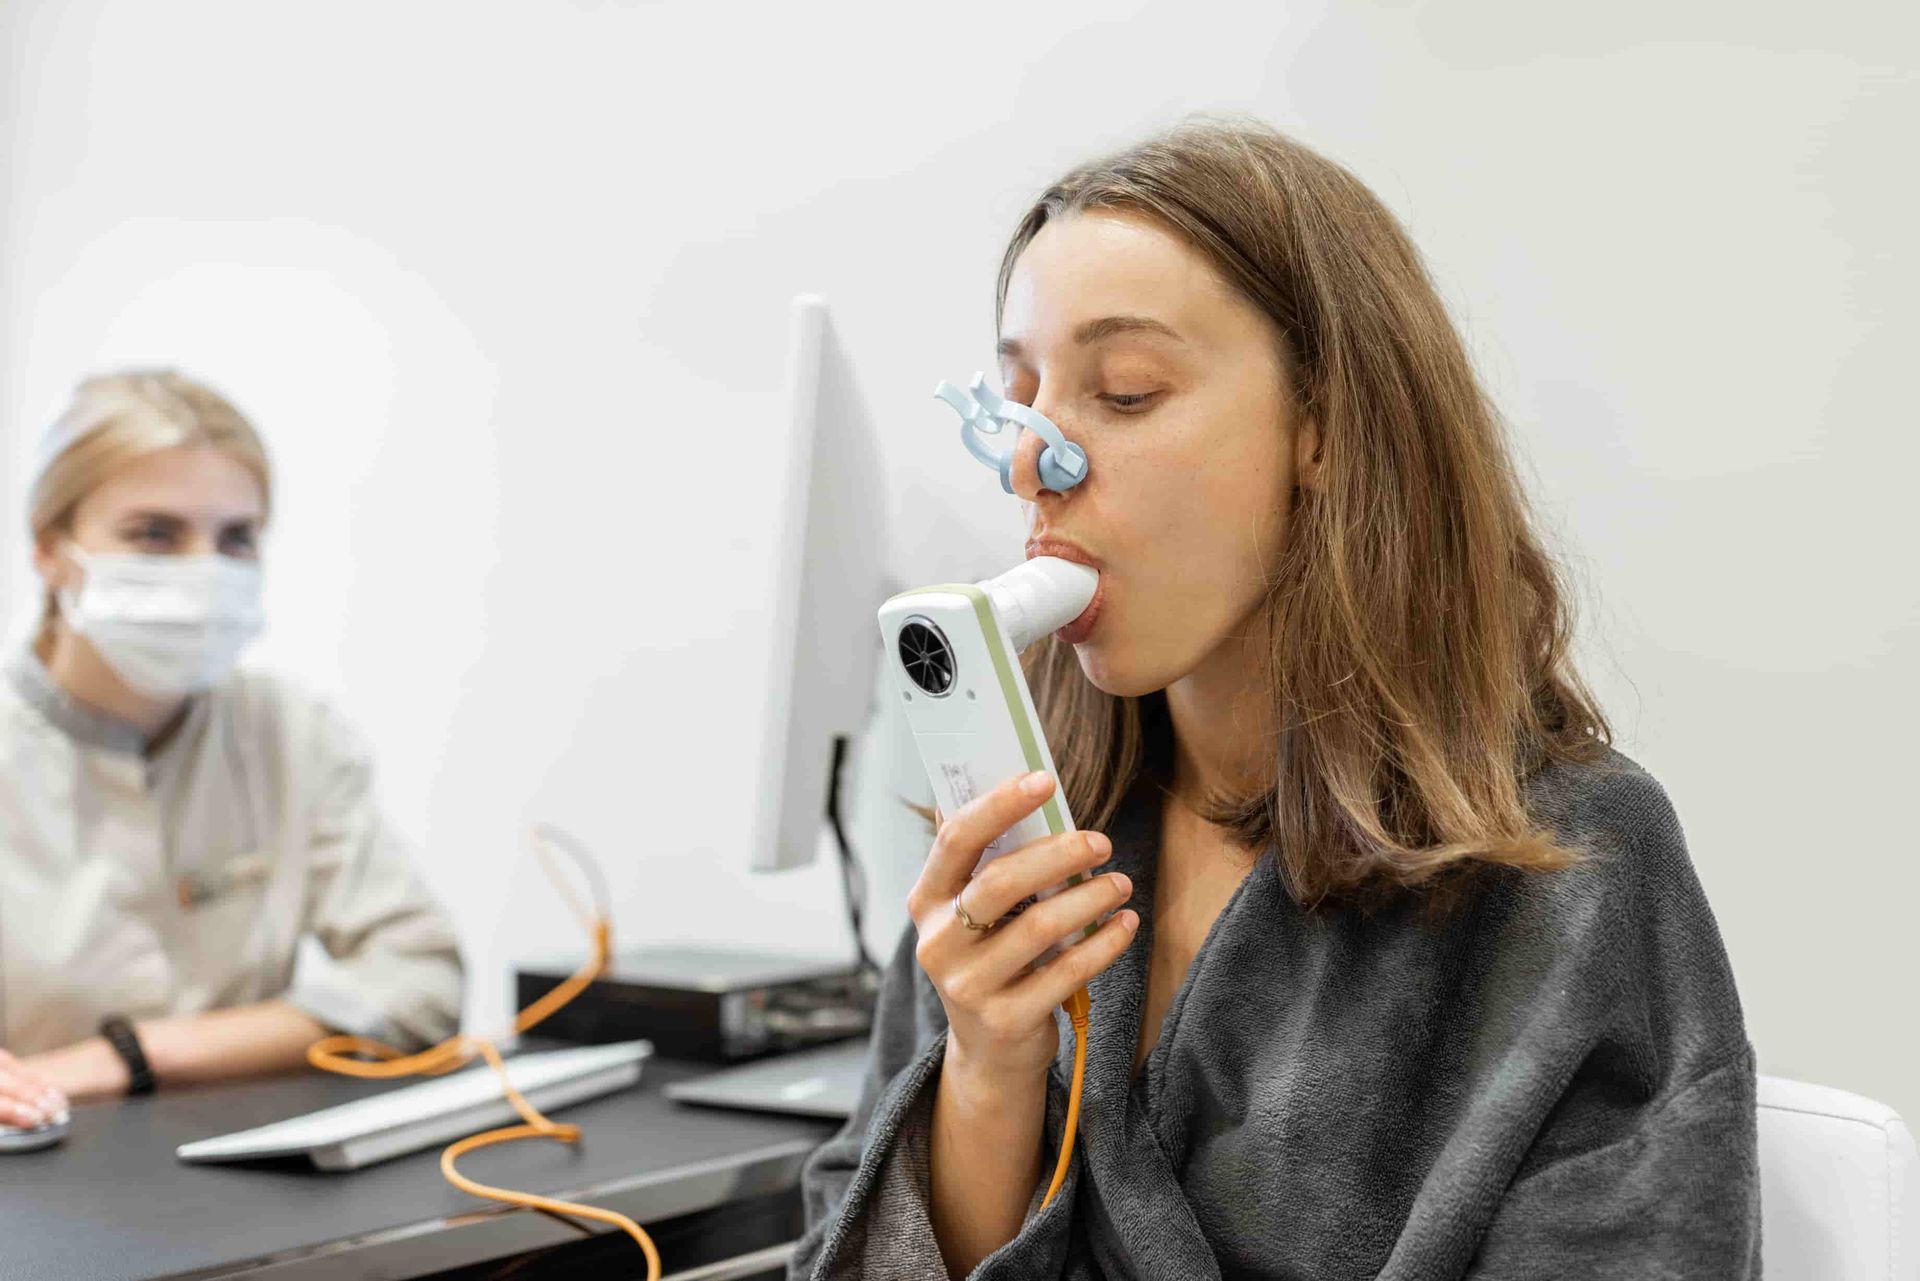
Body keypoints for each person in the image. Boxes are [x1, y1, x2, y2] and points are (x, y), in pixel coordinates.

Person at [795, 120, 1759, 1279]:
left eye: (1127, 392)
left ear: (1325, 429)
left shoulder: (1574, 866)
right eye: (1020, 397)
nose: (1032, 463)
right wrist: (987, 1076)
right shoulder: (1022, 834)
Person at [0, 370, 463, 1129]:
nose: (203, 571)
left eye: (235, 538)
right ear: (50, 550)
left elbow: (421, 980)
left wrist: (131, 1055)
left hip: (246, 1176)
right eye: (154, 532)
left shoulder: (288, 732)